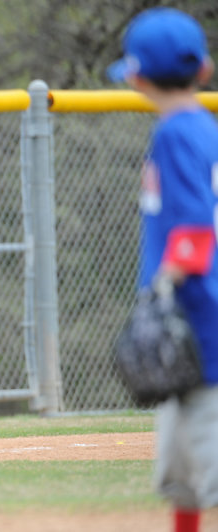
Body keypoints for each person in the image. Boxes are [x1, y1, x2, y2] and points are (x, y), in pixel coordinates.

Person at [108, 8, 218, 532]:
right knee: (183, 478)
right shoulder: (204, 128)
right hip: (194, 327)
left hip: (200, 327)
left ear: (137, 77)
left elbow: (194, 233)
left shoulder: (175, 133)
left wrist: (161, 294)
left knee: (207, 472)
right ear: (204, 69)